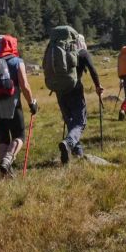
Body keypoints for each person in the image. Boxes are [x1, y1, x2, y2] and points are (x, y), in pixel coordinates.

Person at [44, 25, 103, 165]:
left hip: (59, 90)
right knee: (80, 121)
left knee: (69, 119)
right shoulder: (82, 53)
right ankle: (69, 142)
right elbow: (93, 71)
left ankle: (77, 150)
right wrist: (98, 86)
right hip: (75, 89)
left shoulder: (54, 50)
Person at [0, 34, 37, 177]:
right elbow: (24, 85)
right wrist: (32, 103)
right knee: (19, 136)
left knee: (3, 138)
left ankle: (5, 172)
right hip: (11, 105)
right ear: (13, 46)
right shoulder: (17, 61)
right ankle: (7, 160)